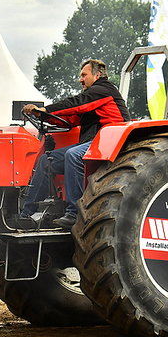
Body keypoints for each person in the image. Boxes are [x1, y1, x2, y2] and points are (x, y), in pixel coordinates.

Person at [21, 59, 130, 229]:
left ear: (97, 75)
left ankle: (74, 213)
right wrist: (40, 116)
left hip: (110, 144)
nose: (80, 79)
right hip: (94, 143)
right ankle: (26, 214)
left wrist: (46, 110)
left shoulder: (103, 90)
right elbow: (70, 119)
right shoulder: (93, 99)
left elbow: (77, 104)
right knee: (46, 160)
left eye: (84, 75)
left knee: (73, 155)